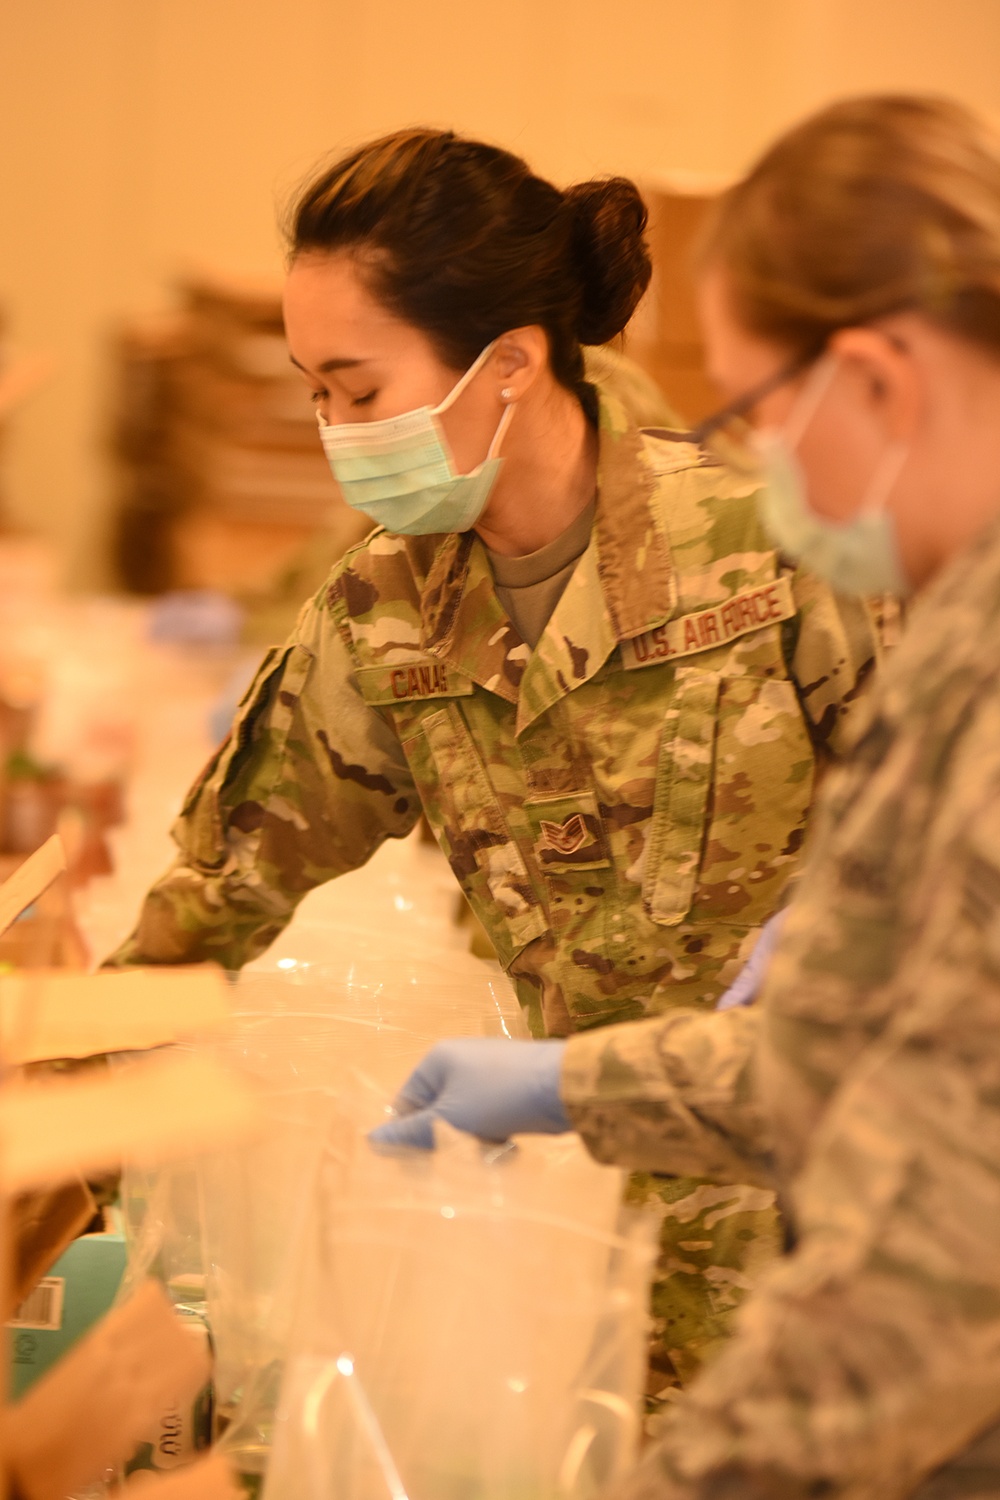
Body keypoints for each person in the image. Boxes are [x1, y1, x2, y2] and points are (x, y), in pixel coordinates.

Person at [110, 128, 882, 1393]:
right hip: (591, 1246)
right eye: (313, 392)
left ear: (512, 363)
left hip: (834, 1242)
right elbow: (221, 892)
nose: (334, 431)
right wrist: (61, 1089)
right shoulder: (384, 612)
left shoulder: (774, 553)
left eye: (359, 391)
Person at [375, 95, 1000, 1498]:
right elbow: (846, 1059)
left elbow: (942, 1256)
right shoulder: (960, 624)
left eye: (757, 417)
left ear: (882, 383)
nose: (757, 476)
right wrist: (570, 1087)